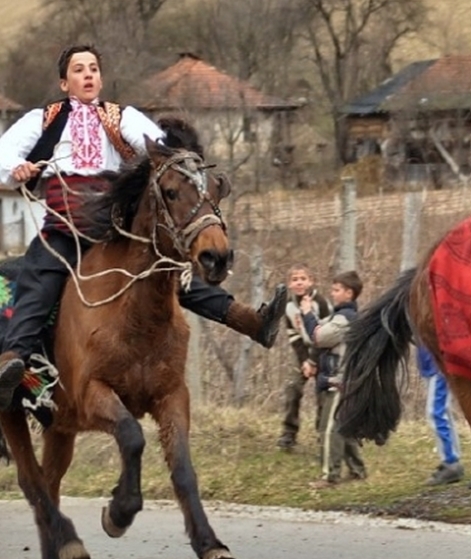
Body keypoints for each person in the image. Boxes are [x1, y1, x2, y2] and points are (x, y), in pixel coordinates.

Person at [0, 44, 286, 410]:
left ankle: (251, 321)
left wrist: (180, 163)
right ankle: (14, 363)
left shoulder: (122, 118)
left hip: (111, 229)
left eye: (93, 69)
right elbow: (5, 155)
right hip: (63, 231)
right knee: (38, 282)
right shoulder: (42, 120)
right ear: (64, 82)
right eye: (78, 70)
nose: (88, 75)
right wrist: (17, 169)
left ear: (101, 78)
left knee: (164, 270)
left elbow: (161, 149)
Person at [300, 270, 366, 488]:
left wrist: (308, 314)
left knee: (329, 429)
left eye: (337, 290)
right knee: (343, 428)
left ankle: (330, 476)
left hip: (340, 381)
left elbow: (319, 337)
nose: (333, 293)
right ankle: (358, 470)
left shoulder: (344, 319)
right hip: (343, 380)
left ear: (349, 293)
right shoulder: (340, 317)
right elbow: (323, 335)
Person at [277, 263, 332, 450]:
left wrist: (313, 361)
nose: (299, 283)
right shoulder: (288, 306)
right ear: (289, 284)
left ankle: (323, 433)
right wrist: (304, 361)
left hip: (324, 351)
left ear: (310, 281)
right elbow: (293, 335)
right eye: (295, 280)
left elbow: (325, 334)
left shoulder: (320, 303)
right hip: (303, 351)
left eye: (303, 279)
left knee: (324, 393)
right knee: (293, 388)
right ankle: (288, 433)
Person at [416, 345, 465, 485]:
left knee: (435, 412)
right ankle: (452, 459)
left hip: (439, 366)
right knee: (442, 412)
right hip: (429, 364)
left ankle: (451, 462)